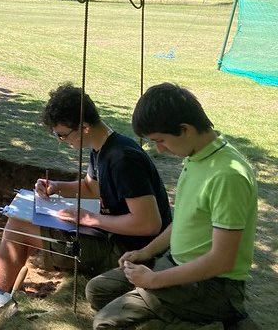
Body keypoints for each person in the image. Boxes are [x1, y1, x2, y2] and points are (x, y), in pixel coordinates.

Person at [0, 83, 172, 292]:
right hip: (113, 237)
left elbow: (150, 224)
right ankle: (2, 278)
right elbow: (91, 188)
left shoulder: (122, 159)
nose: (61, 141)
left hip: (132, 253)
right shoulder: (103, 148)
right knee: (22, 219)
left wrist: (89, 219)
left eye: (62, 135)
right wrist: (57, 187)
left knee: (18, 227)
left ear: (84, 127)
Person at [87, 83, 257, 329]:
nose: (159, 149)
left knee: (105, 323)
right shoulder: (196, 156)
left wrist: (155, 280)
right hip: (174, 263)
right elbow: (184, 222)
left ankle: (215, 321)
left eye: (161, 140)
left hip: (213, 285)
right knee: (98, 290)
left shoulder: (227, 175)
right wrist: (146, 252)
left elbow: (223, 261)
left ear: (185, 129)